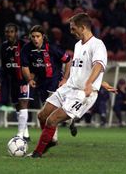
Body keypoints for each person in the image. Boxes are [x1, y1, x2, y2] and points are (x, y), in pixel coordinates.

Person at [27, 13, 107, 158]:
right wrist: (103, 83)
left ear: (83, 28)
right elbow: (83, 69)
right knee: (42, 116)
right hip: (68, 88)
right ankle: (50, 140)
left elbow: (98, 66)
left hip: (82, 94)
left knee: (52, 120)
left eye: (73, 28)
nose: (71, 32)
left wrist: (90, 84)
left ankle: (37, 153)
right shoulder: (77, 45)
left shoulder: (97, 45)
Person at [21, 24, 72, 142]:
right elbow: (24, 66)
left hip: (55, 82)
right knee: (44, 114)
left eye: (38, 36)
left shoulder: (52, 48)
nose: (35, 39)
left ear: (43, 37)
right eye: (33, 36)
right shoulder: (26, 49)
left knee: (49, 113)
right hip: (41, 84)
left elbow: (68, 60)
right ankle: (67, 121)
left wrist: (65, 79)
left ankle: (51, 138)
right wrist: (29, 79)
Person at [0, 23, 33, 141]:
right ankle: (26, 134)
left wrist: (31, 75)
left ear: (16, 33)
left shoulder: (24, 45)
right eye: (7, 32)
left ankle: (19, 135)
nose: (9, 34)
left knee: (23, 103)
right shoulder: (4, 47)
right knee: (18, 107)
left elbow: (31, 61)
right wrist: (0, 79)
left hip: (23, 79)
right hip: (12, 80)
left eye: (11, 32)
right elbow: (3, 65)